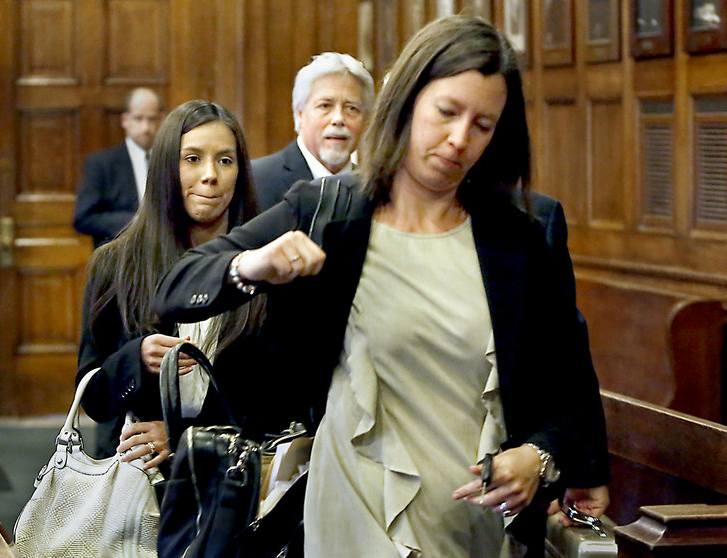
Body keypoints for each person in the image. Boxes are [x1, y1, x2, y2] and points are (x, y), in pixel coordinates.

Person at [154, 15, 610, 557]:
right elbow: (177, 285)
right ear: (408, 101)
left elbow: (569, 380)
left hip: (472, 519)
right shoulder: (332, 211)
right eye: (446, 112)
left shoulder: (521, 236)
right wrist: (251, 265)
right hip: (352, 504)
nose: (459, 139)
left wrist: (539, 457)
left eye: (483, 125)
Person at [76, 100, 265, 462]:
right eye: (192, 159)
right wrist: (135, 358)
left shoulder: (262, 266)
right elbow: (94, 399)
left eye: (225, 160)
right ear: (166, 168)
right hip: (140, 484)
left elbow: (282, 396)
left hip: (235, 484)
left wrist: (186, 436)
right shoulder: (115, 264)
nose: (210, 175)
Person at [252, 52, 374, 211]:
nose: (338, 119)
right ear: (300, 113)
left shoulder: (372, 189)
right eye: (325, 106)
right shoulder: (256, 181)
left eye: (352, 108)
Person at [74, 87, 163, 248]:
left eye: (151, 119)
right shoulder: (102, 164)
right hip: (116, 260)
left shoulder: (169, 161)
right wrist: (134, 221)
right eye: (138, 119)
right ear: (125, 120)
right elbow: (83, 219)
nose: (145, 128)